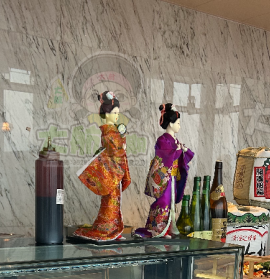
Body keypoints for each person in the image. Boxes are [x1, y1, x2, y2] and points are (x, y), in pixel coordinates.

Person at [73, 91, 131, 241]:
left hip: (113, 168)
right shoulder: (108, 131)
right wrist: (122, 146)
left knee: (114, 199)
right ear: (107, 113)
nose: (117, 116)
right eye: (115, 113)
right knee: (111, 200)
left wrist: (122, 140)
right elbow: (114, 150)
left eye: (118, 113)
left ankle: (113, 229)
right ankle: (108, 229)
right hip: (111, 169)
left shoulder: (112, 130)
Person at [136, 103, 194, 238]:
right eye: (178, 123)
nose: (179, 126)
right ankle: (157, 229)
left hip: (172, 177)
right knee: (164, 202)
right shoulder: (162, 140)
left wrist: (183, 150)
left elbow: (182, 154)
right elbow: (165, 156)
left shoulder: (175, 140)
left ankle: (168, 229)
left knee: (171, 203)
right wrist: (178, 151)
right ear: (171, 124)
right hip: (164, 178)